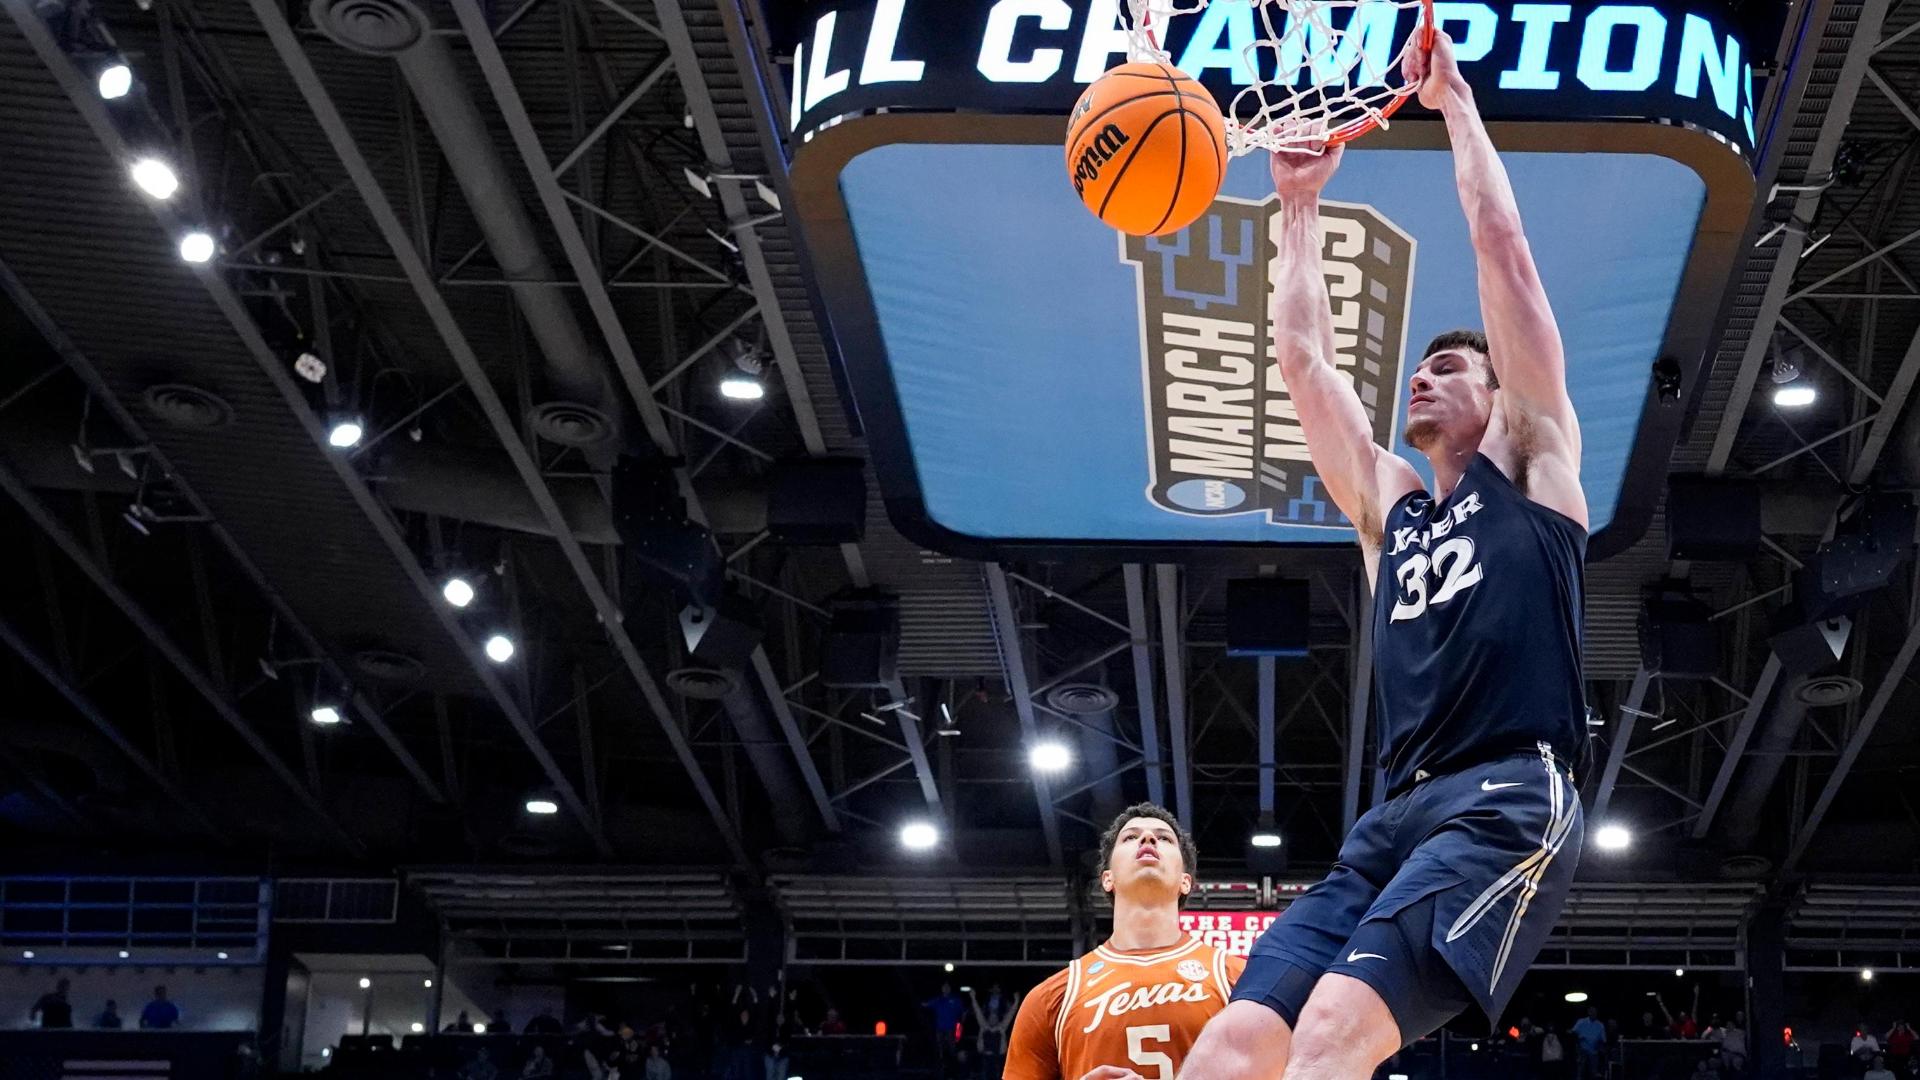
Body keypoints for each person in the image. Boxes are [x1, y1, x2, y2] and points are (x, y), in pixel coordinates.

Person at [1179, 28, 1590, 1080]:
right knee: (1233, 1042)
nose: (1421, 378)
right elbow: (1306, 363)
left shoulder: (1534, 466)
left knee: (1331, 1035)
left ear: (1498, 399)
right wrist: (1300, 205)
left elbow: (1505, 248)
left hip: (1506, 794)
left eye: (1448, 366)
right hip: (1395, 813)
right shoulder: (1392, 509)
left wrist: (1454, 102)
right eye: (1418, 366)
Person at [1004, 804, 1244, 1078]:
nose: (1148, 839)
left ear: (1185, 881)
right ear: (1108, 878)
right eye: (1130, 837)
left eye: (1164, 838)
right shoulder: (1051, 998)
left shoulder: (1238, 980)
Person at [972, 984, 1020, 1078]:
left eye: (995, 1016)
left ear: (998, 1019)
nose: (992, 1017)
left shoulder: (1001, 1028)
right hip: (985, 1058)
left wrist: (1016, 1001)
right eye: (991, 1016)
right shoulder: (984, 1026)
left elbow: (1010, 1014)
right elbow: (978, 1012)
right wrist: (973, 998)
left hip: (997, 1058)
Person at [925, 983, 968, 1075]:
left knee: (952, 1049)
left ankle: (953, 1069)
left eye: (947, 987)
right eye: (944, 987)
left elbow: (964, 1011)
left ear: (950, 989)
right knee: (939, 1048)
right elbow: (926, 1005)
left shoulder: (955, 1000)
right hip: (939, 1029)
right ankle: (941, 1068)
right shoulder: (938, 999)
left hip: (951, 1029)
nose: (946, 989)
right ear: (942, 989)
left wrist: (961, 1024)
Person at [1571, 1007, 1607, 1080]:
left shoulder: (1600, 1025)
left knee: (1594, 1071)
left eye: (1595, 1012)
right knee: (1580, 1069)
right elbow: (1573, 1032)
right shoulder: (1581, 1021)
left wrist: (1600, 1046)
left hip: (1593, 1050)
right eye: (1591, 1011)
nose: (1593, 1013)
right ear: (1588, 1012)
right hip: (1582, 1048)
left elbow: (1603, 1040)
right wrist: (1578, 1039)